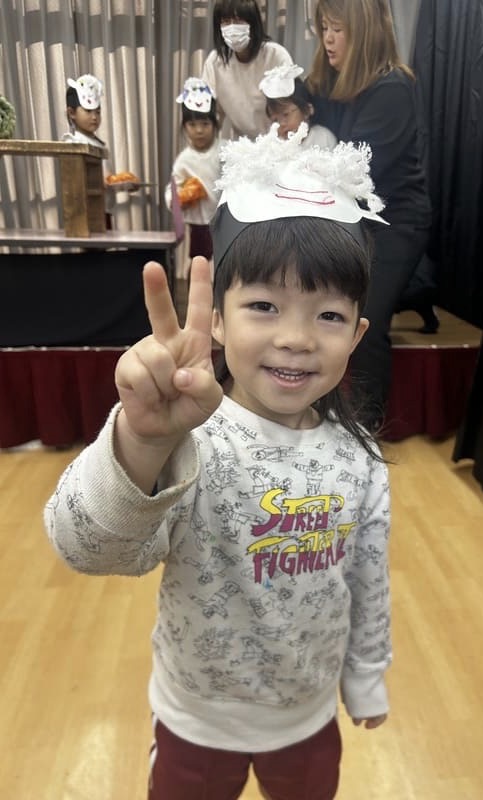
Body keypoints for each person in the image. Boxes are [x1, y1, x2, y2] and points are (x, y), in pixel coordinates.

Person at [44, 127, 392, 800]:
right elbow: (84, 546)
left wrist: (366, 674)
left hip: (307, 715)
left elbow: (367, 578)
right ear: (220, 322)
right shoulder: (195, 441)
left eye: (327, 315)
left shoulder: (360, 459)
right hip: (196, 720)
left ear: (356, 335)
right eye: (264, 306)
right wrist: (143, 443)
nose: (295, 337)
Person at [307, 0, 434, 432]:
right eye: (324, 28)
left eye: (337, 29)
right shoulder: (339, 81)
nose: (327, 39)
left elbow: (356, 170)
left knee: (367, 323)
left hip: (397, 223)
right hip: (359, 219)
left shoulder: (391, 87)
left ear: (363, 31)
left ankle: (366, 433)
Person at [201, 0, 293, 141]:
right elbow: (211, 114)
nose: (232, 28)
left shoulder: (276, 56)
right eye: (226, 21)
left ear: (253, 23)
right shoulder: (215, 62)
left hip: (280, 141)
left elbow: (291, 110)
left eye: (239, 20)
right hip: (243, 145)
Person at [62, 73, 138, 225]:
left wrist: (123, 184)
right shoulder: (73, 142)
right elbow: (75, 179)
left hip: (104, 210)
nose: (94, 117)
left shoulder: (99, 144)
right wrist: (100, 181)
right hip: (85, 212)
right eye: (88, 111)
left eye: (97, 111)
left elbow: (106, 180)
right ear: (72, 113)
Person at [164, 77, 221, 265]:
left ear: (215, 124)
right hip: (199, 223)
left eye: (205, 124)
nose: (199, 130)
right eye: (192, 125)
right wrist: (176, 200)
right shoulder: (184, 160)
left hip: (224, 220)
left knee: (224, 263)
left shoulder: (224, 151)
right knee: (199, 262)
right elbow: (173, 189)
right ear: (184, 126)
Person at [259, 64, 337, 148]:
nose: (281, 124)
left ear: (307, 110)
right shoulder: (274, 145)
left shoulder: (323, 138)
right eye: (275, 120)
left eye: (286, 115)